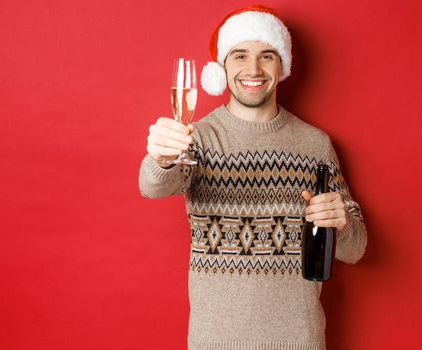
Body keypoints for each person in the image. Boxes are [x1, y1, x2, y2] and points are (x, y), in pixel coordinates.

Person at [138, 5, 367, 350]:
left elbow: (356, 249)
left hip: (299, 340)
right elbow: (152, 186)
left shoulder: (315, 144)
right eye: (240, 55)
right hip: (215, 341)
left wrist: (344, 223)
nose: (253, 69)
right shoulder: (197, 138)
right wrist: (160, 157)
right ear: (222, 68)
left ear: (283, 66)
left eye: (267, 55)